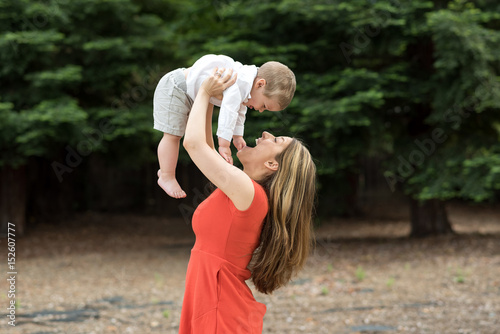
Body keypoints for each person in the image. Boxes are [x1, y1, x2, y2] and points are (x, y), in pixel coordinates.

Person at [179, 68, 316, 333]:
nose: (265, 133)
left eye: (275, 140)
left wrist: (206, 92)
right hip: (213, 303)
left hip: (220, 310)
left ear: (271, 164)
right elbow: (206, 145)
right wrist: (208, 96)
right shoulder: (245, 190)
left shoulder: (249, 194)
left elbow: (193, 144)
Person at [153, 54, 296, 199]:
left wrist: (237, 135)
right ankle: (166, 175)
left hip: (189, 92)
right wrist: (224, 144)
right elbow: (229, 111)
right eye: (264, 106)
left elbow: (239, 111)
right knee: (172, 136)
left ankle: (166, 171)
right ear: (260, 84)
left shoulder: (246, 86)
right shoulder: (239, 82)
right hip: (177, 87)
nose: (260, 110)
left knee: (176, 135)